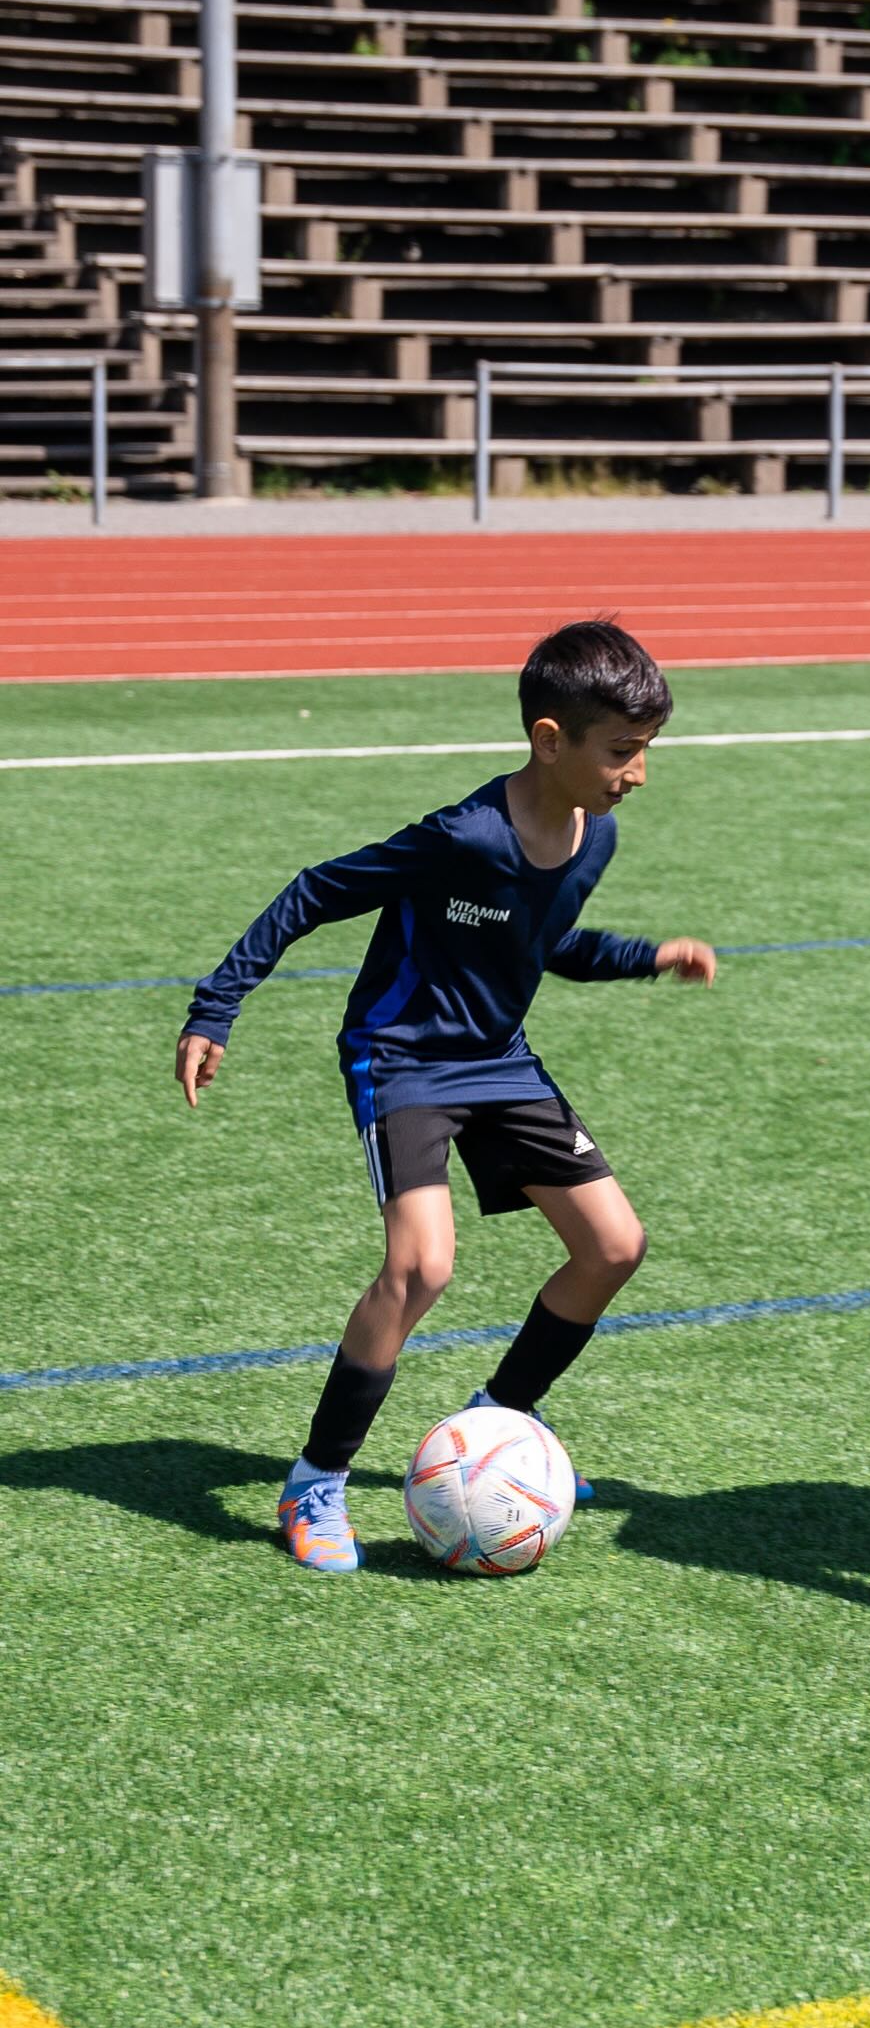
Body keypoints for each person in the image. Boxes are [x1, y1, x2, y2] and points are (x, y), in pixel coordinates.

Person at [176, 617, 717, 1573]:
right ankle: (315, 1482)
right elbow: (313, 892)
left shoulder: (596, 836)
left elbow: (541, 947)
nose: (637, 773)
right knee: (422, 1268)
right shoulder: (463, 837)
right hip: (404, 1059)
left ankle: (499, 1417)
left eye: (646, 752)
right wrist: (215, 1008)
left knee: (613, 1246)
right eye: (623, 752)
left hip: (499, 1058)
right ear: (550, 741)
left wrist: (647, 957)